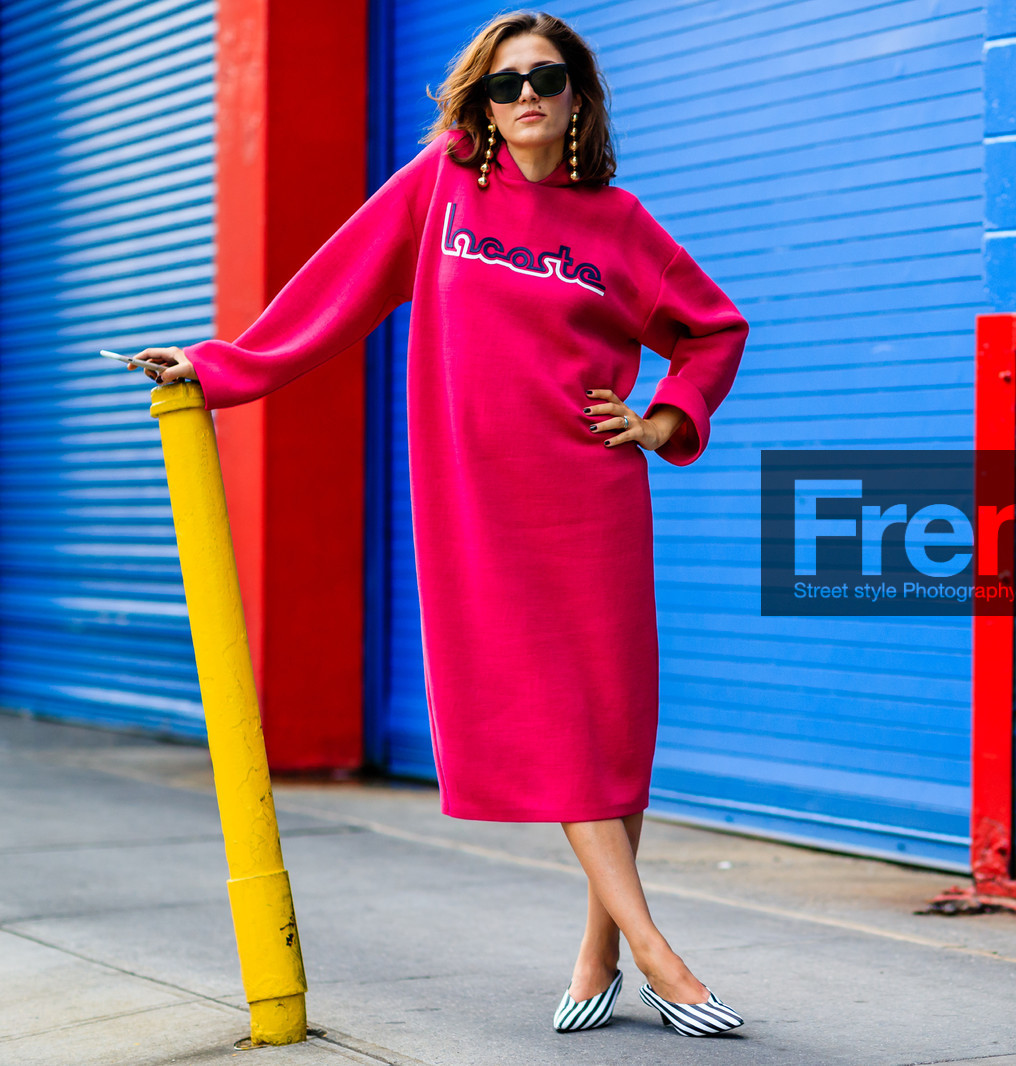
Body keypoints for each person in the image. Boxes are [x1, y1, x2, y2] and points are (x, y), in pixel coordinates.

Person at [125, 10, 749, 1038]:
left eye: (546, 78)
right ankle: (656, 952)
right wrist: (220, 364)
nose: (527, 96)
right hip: (479, 499)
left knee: (608, 717)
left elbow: (713, 330)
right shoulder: (443, 189)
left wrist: (660, 418)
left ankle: (597, 952)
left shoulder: (620, 224)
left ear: (578, 95)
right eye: (505, 84)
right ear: (482, 104)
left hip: (590, 496)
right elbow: (334, 289)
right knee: (552, 712)